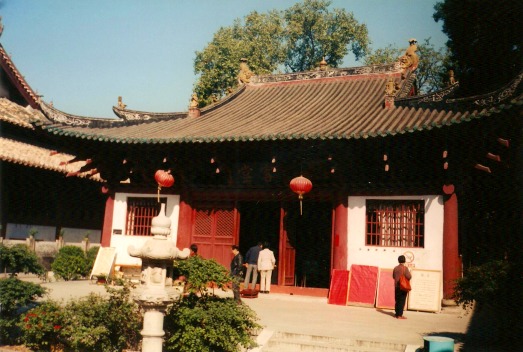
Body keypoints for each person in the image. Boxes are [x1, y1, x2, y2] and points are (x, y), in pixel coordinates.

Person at [393, 255, 412, 319]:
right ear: (404, 260)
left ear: (398, 260)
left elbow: (393, 276)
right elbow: (409, 276)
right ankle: (400, 315)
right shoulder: (405, 268)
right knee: (402, 301)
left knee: (397, 300)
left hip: (396, 286)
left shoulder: (395, 268)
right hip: (403, 287)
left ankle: (396, 314)